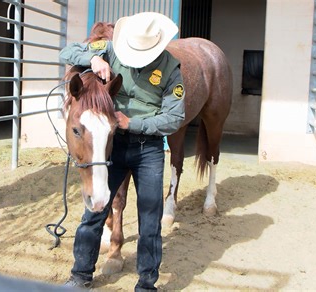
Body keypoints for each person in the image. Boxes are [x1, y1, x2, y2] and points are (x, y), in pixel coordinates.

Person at [59, 12, 185, 291]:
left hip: (148, 149)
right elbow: (67, 51)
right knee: (94, 212)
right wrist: (93, 59)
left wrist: (133, 122)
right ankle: (80, 275)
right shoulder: (111, 48)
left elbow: (175, 117)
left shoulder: (171, 69)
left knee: (150, 219)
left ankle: (146, 283)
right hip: (111, 144)